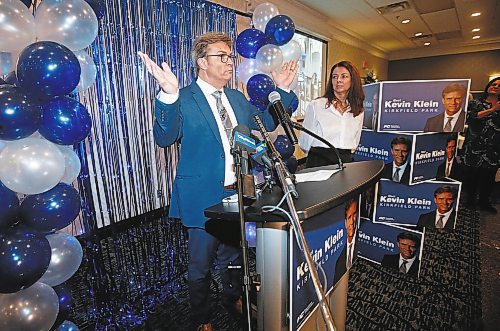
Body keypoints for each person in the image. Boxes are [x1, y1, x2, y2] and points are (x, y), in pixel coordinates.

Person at [137, 33, 298, 331]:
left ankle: (232, 296)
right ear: (202, 62)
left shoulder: (236, 98)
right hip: (202, 197)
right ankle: (202, 318)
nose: (229, 63)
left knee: (234, 256)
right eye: (221, 57)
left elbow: (266, 123)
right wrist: (168, 95)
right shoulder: (183, 97)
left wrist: (284, 90)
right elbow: (164, 138)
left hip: (237, 194)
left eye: (230, 57)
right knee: (200, 267)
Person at [299, 60, 365, 168]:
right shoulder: (317, 105)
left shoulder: (358, 110)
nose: (338, 80)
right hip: (319, 160)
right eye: (334, 77)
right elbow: (304, 142)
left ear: (353, 80)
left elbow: (355, 141)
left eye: (344, 76)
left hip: (345, 161)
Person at [462, 77, 500, 213]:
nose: (495, 86)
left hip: (494, 148)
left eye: (498, 85)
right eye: (493, 84)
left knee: (489, 176)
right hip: (474, 146)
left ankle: (484, 201)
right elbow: (469, 117)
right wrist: (492, 109)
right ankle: (470, 200)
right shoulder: (476, 103)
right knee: (472, 175)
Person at [334, 198, 358, 283]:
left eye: (354, 215)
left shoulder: (361, 245)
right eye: (349, 217)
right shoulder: (338, 260)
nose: (352, 222)